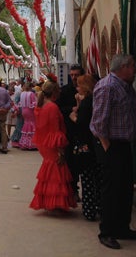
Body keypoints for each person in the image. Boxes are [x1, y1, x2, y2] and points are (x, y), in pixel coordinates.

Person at [90, 54, 136, 250]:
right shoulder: (107, 87)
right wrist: (107, 147)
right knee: (111, 191)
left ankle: (122, 228)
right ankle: (107, 232)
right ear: (124, 67)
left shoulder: (126, 87)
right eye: (133, 67)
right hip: (111, 145)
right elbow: (98, 122)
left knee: (124, 190)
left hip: (123, 145)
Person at [29, 75, 77, 212]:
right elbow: (56, 130)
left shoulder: (41, 106)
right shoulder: (52, 107)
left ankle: (49, 202)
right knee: (56, 173)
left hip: (44, 142)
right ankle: (55, 202)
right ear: (55, 92)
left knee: (49, 172)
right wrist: (61, 150)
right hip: (52, 144)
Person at [70, 74, 100, 221]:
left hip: (86, 145)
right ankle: (98, 207)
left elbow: (82, 123)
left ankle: (89, 210)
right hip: (93, 144)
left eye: (80, 85)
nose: (77, 87)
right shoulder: (93, 100)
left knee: (88, 179)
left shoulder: (88, 102)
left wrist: (73, 117)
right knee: (95, 178)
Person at [56, 64, 85, 201]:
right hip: (70, 132)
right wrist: (71, 109)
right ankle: (73, 190)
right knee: (71, 163)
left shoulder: (88, 90)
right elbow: (59, 109)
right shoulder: (65, 91)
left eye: (76, 75)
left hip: (85, 133)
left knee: (85, 164)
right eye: (72, 75)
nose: (74, 78)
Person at [17, 82, 37, 150]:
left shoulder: (22, 94)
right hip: (30, 111)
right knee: (32, 125)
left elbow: (19, 103)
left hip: (24, 111)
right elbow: (34, 103)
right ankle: (32, 143)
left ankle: (24, 142)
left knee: (26, 125)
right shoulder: (31, 94)